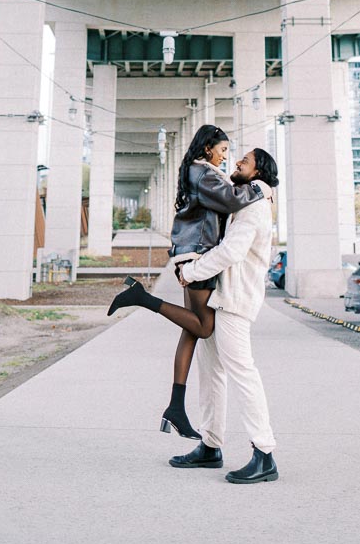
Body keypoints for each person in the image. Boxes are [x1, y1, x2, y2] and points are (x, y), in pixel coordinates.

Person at [106, 124, 271, 439]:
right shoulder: (204, 173)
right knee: (204, 327)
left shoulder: (200, 172)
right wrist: (261, 188)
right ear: (208, 147)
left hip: (191, 253)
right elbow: (233, 200)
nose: (226, 157)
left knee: (192, 330)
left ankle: (175, 407)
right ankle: (142, 298)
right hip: (197, 257)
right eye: (223, 150)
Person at [169, 146, 279, 484]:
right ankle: (210, 445)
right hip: (222, 298)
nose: (237, 162)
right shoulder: (245, 202)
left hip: (235, 301)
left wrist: (191, 272)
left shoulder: (254, 207)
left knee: (242, 372)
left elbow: (231, 251)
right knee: (211, 372)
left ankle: (264, 454)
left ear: (258, 173)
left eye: (244, 161)